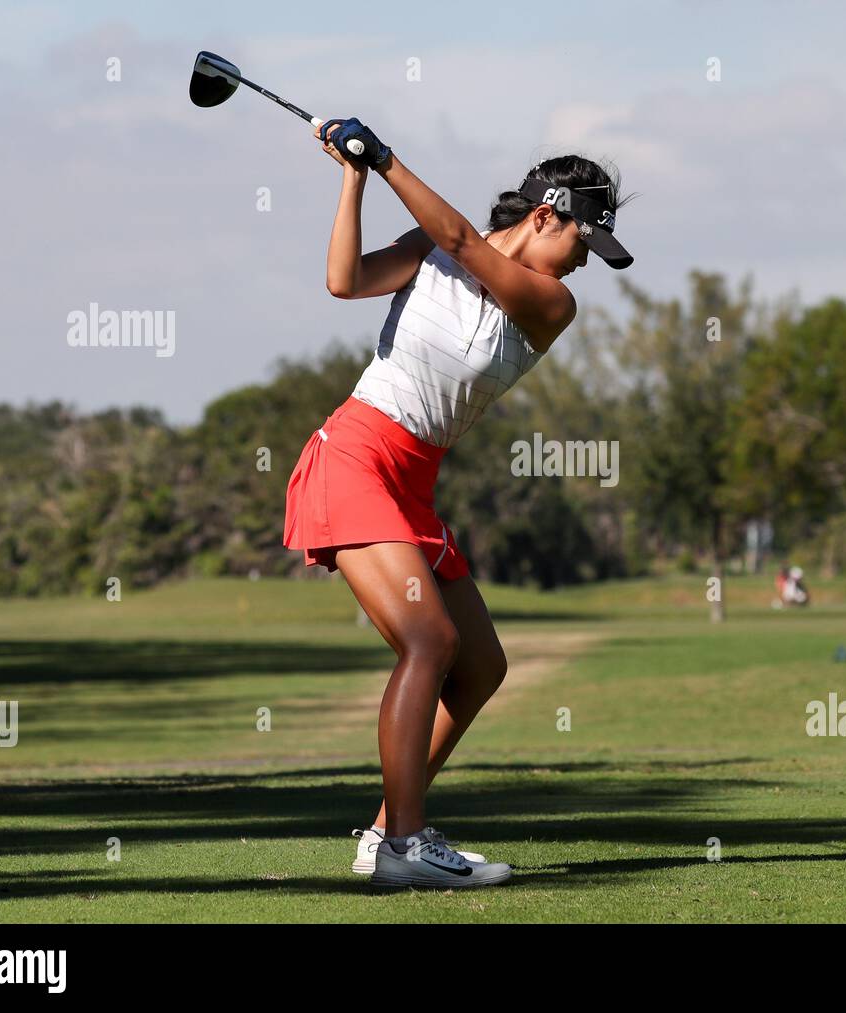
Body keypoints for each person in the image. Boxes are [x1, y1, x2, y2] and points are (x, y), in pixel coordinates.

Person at [283, 118, 633, 889]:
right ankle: (405, 844)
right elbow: (344, 280)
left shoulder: (551, 303)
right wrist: (355, 176)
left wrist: (388, 159)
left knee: (479, 665)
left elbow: (467, 243)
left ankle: (389, 832)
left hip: (413, 481)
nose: (584, 262)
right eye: (583, 242)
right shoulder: (428, 248)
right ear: (546, 215)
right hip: (356, 456)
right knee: (429, 641)